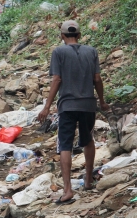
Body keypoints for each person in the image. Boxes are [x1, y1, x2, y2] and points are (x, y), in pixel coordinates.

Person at [37, 20, 109, 204]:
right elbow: (97, 79)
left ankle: (67, 190)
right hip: (87, 105)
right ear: (79, 35)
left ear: (62, 36)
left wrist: (46, 107)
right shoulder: (91, 51)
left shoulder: (58, 52)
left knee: (65, 145)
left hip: (67, 105)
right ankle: (87, 180)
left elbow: (57, 80)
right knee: (88, 140)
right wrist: (101, 100)